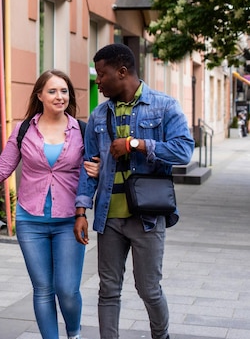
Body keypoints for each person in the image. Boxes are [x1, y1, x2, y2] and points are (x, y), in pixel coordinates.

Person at [0, 70, 98, 339]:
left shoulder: (82, 131)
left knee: (68, 290)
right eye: (53, 91)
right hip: (30, 221)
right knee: (43, 289)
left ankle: (74, 334)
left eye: (64, 91)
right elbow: (0, 172)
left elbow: (93, 171)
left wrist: (99, 170)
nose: (60, 97)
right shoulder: (24, 130)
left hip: (69, 221)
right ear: (40, 96)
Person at [75, 43, 194, 339]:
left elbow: (184, 151)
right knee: (108, 290)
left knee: (149, 289)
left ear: (123, 72)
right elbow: (89, 166)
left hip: (147, 216)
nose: (97, 80)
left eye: (102, 74)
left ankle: (160, 336)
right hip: (108, 218)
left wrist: (137, 144)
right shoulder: (99, 116)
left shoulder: (164, 106)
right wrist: (81, 209)